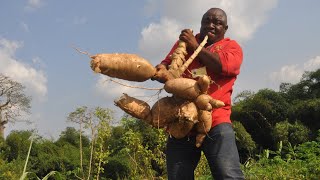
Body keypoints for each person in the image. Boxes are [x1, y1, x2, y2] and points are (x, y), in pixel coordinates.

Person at [152, 8, 245, 180]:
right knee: (178, 176)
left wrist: (196, 47)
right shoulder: (185, 42)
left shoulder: (232, 47)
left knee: (228, 175)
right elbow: (169, 65)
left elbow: (221, 66)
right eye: (207, 21)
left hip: (216, 121)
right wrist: (160, 70)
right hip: (181, 120)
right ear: (200, 24)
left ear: (225, 28)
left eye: (217, 23)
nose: (211, 25)